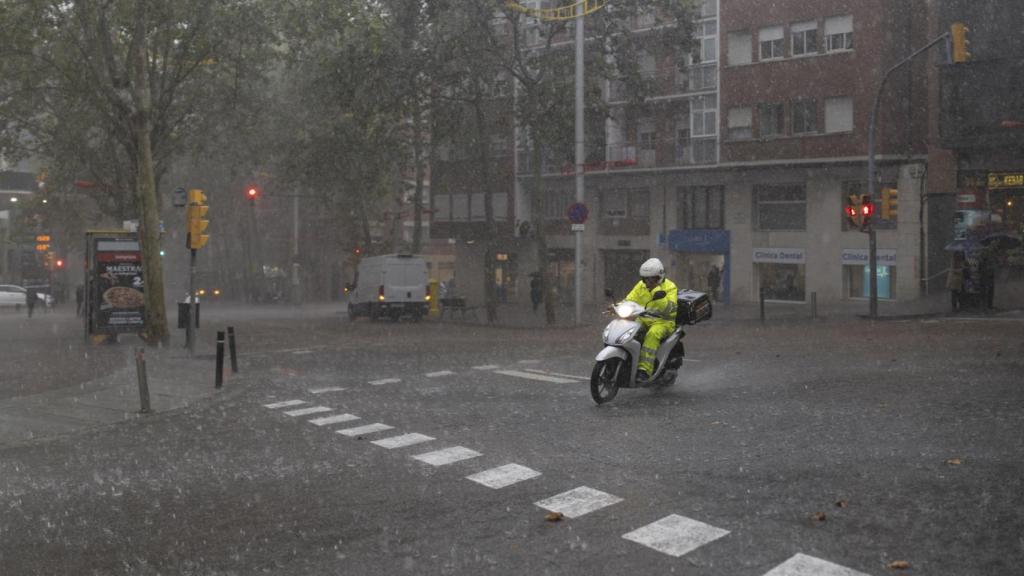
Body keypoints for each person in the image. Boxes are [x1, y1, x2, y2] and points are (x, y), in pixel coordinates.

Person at [621, 258, 678, 382]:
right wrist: (617, 306)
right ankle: (625, 361)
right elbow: (630, 299)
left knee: (652, 334)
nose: (648, 282)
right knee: (627, 331)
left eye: (652, 279)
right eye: (645, 279)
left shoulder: (670, 287)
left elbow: (670, 308)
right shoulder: (641, 286)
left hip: (664, 322)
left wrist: (656, 291)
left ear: (659, 277)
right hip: (644, 318)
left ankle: (644, 371)